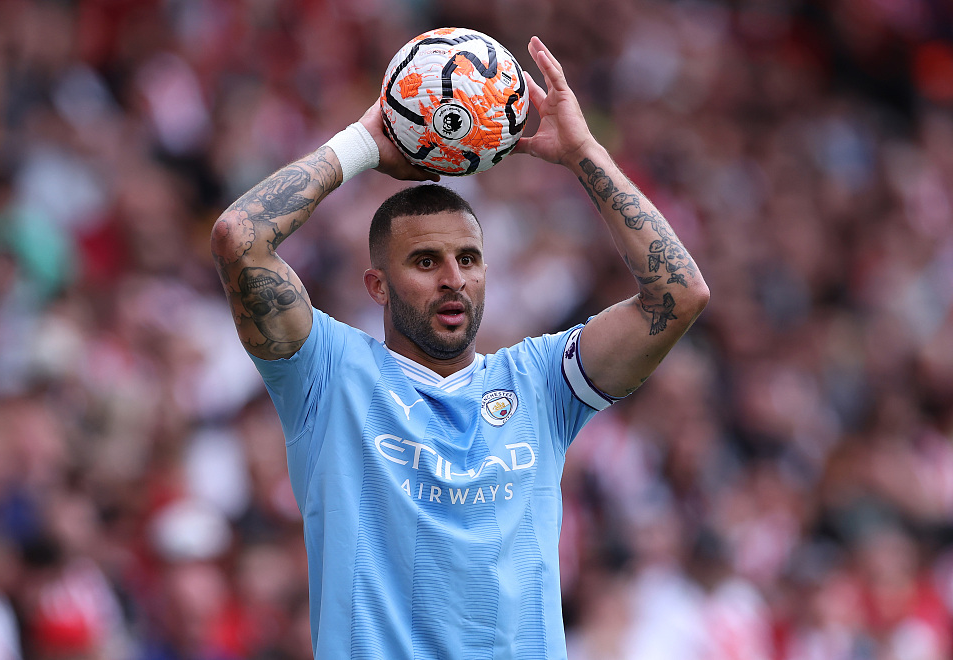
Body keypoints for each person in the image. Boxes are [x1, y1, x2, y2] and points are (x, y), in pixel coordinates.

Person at [210, 36, 709, 660]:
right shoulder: (328, 376)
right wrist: (363, 142)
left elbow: (679, 293)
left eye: (468, 259)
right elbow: (239, 237)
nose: (453, 277)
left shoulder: (539, 383)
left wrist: (583, 153)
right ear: (377, 285)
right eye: (425, 261)